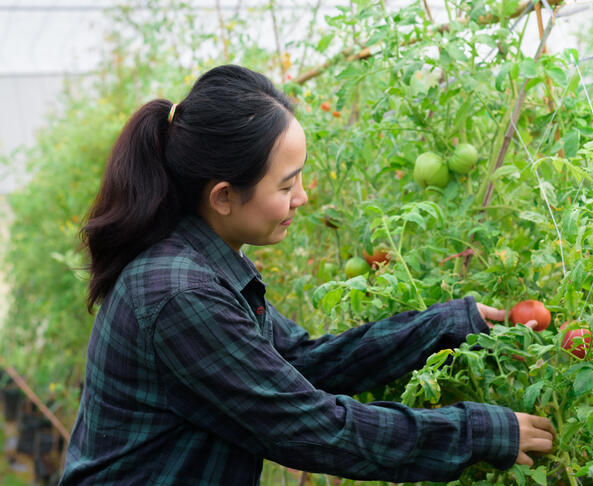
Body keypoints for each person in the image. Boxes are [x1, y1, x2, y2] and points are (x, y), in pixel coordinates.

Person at [59, 64, 556, 485]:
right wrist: (477, 431)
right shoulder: (180, 296)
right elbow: (312, 428)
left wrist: (443, 326)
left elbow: (301, 364)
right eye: (287, 184)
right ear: (224, 196)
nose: (302, 199)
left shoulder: (198, 265)